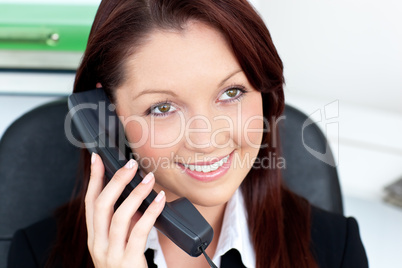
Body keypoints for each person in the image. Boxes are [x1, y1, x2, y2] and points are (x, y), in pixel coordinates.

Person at [7, 0, 368, 267]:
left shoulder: (336, 248)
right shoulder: (38, 254)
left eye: (231, 93)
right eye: (163, 108)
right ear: (107, 117)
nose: (206, 138)